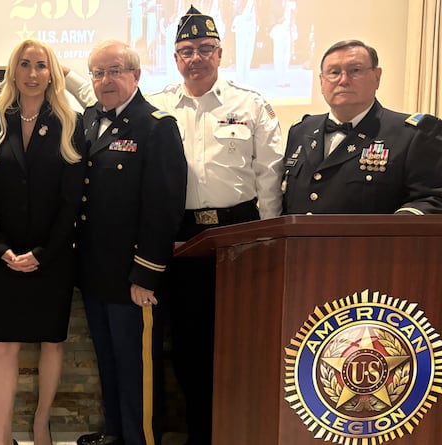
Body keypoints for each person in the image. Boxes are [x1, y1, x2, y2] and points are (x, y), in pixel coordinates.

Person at [144, 6, 284, 445]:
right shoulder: (158, 105)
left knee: (243, 338)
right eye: (186, 50)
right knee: (186, 344)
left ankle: (240, 428)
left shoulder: (250, 104)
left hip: (239, 232)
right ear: (176, 57)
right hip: (182, 237)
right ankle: (201, 433)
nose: (196, 58)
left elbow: (271, 174)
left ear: (220, 53)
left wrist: (268, 238)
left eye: (205, 49)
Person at [0, 38, 85, 445]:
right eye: (25, 64)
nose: (33, 73)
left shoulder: (70, 121)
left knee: (51, 344)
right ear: (13, 71)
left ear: (52, 73)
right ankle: (2, 437)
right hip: (4, 256)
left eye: (41, 65)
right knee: (4, 348)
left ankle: (41, 425)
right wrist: (1, 248)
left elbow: (71, 200)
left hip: (51, 257)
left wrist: (43, 253)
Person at [76, 40, 187, 445]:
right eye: (98, 73)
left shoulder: (156, 126)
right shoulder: (88, 120)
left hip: (133, 278)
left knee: (137, 370)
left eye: (115, 71)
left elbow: (164, 207)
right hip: (95, 273)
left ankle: (141, 439)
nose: (105, 80)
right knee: (108, 363)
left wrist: (147, 274)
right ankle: (117, 435)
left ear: (136, 76)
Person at [282, 39, 442, 214]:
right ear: (321, 81)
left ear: (377, 76)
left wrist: (395, 230)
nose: (343, 80)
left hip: (376, 242)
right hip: (299, 242)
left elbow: (432, 199)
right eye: (334, 72)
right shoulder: (301, 130)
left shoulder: (414, 134)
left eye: (355, 71)